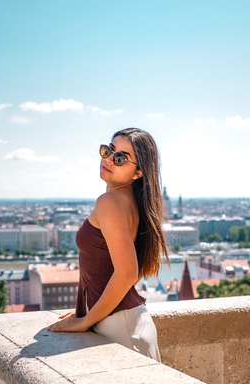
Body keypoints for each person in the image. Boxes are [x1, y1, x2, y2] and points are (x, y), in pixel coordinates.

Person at [46, 128, 169, 361]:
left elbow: (127, 273)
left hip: (119, 327)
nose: (109, 159)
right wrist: (92, 309)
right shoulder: (130, 203)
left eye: (120, 157)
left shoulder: (110, 202)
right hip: (122, 321)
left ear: (138, 173)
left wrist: (86, 320)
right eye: (109, 150)